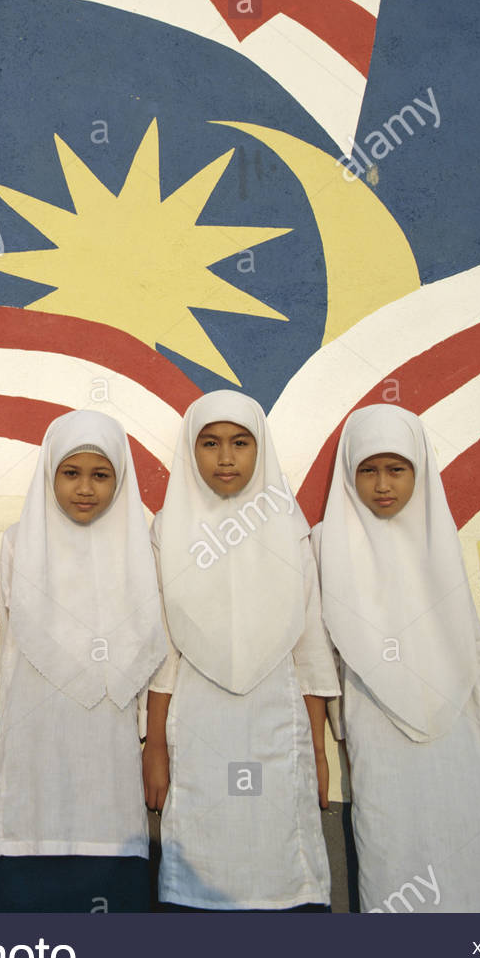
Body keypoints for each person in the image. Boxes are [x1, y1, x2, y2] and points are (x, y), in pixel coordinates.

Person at [313, 403, 480, 913]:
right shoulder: (327, 545)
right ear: (350, 473)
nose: (383, 484)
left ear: (420, 470)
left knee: (476, 846)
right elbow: (321, 656)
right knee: (393, 854)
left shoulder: (439, 539)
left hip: (459, 731)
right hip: (379, 733)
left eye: (397, 469)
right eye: (367, 470)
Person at [143, 390, 337, 911]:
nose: (225, 458)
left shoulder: (290, 530)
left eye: (240, 442)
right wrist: (155, 747)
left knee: (284, 861)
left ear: (261, 449)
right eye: (210, 443)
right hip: (198, 727)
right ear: (191, 450)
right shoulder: (168, 531)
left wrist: (317, 752)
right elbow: (163, 650)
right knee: (200, 864)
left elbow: (310, 649)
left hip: (277, 724)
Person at [0, 410, 167, 912]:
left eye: (100, 475)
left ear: (120, 478)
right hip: (32, 753)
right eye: (71, 473)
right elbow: (7, 657)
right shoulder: (19, 542)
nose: (85, 488)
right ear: (50, 474)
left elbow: (158, 648)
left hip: (109, 751)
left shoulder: (140, 548)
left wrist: (154, 741)